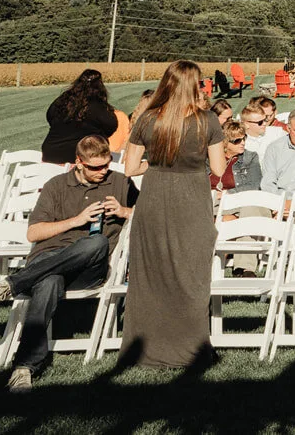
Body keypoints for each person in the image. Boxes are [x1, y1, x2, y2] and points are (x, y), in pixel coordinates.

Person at [0, 135, 136, 392]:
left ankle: (11, 284)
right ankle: (24, 368)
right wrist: (76, 220)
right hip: (49, 258)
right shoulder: (56, 185)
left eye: (106, 164)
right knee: (48, 282)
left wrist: (124, 211)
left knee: (96, 243)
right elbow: (33, 234)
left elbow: (151, 215)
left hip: (90, 267)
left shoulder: (119, 182)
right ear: (78, 163)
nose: (103, 171)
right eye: (96, 167)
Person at [118, 60, 225, 368]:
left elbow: (129, 168)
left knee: (153, 273)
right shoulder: (208, 121)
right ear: (196, 86)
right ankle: (190, 348)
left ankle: (146, 349)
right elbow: (218, 169)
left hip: (154, 196)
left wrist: (155, 166)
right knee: (191, 273)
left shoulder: (148, 119)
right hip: (192, 197)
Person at [40, 69, 119, 165]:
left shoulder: (63, 100)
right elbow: (111, 125)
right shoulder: (96, 105)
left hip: (50, 153)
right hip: (78, 156)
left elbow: (50, 116)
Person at [210, 120, 262, 193]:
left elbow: (255, 185)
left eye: (244, 138)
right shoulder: (209, 156)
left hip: (234, 200)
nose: (243, 143)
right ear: (225, 141)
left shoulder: (250, 157)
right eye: (237, 141)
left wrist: (226, 194)